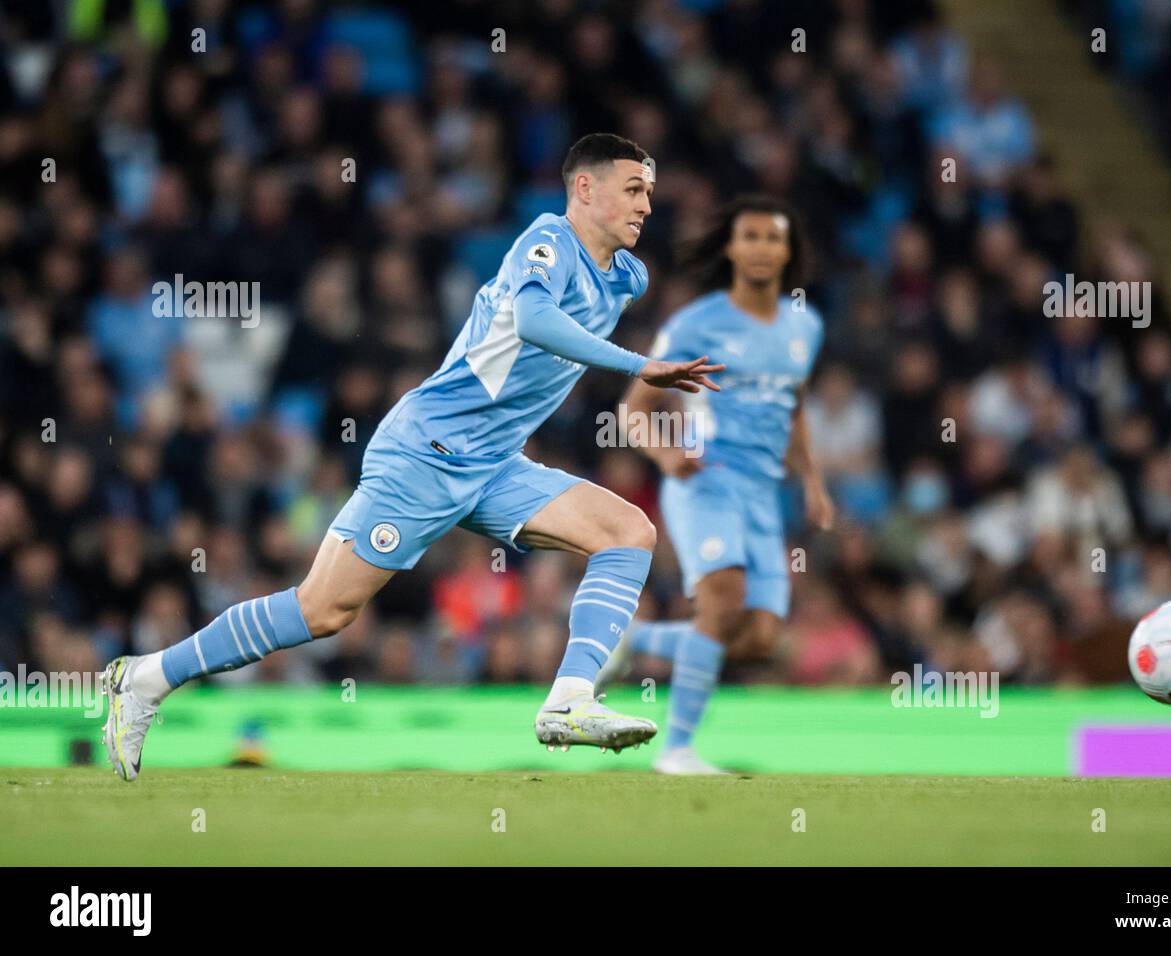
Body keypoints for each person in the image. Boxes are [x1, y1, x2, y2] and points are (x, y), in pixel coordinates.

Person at [100, 133, 724, 780]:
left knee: (628, 533)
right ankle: (147, 678)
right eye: (633, 189)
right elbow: (534, 319)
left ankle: (568, 702)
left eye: (649, 191)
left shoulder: (627, 276)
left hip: (493, 461)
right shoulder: (546, 242)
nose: (647, 205)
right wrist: (640, 365)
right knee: (324, 610)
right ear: (584, 189)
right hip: (430, 448)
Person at [597, 196, 833, 774]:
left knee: (756, 638)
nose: (761, 248)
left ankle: (634, 641)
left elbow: (793, 406)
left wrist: (813, 482)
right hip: (707, 478)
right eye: (749, 236)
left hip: (763, 493)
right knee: (722, 600)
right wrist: (665, 454)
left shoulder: (805, 325)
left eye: (773, 238)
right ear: (729, 247)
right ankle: (676, 750)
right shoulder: (695, 324)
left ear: (788, 251)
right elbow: (634, 407)